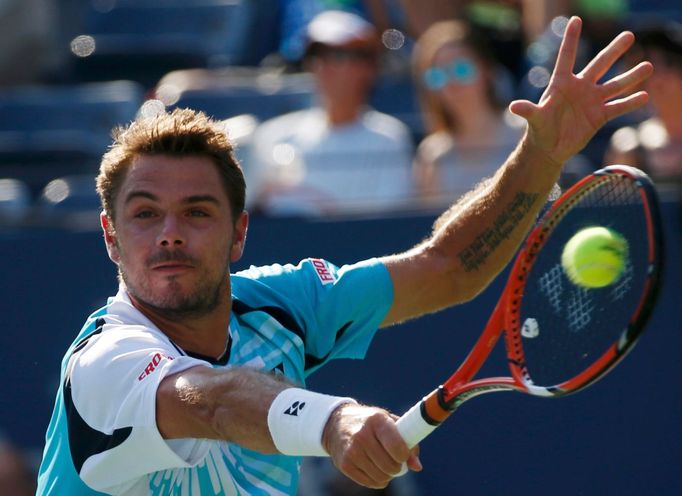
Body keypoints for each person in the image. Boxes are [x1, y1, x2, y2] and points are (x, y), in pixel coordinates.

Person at [36, 16, 652, 495]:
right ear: (111, 238)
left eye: (197, 211)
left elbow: (448, 267)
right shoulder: (104, 363)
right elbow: (214, 401)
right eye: (145, 214)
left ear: (239, 233)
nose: (170, 233)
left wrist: (540, 156)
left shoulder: (283, 307)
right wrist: (334, 423)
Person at [249, 9, 415, 216]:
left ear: (368, 67)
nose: (324, 67)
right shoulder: (273, 135)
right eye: (317, 56)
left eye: (338, 56)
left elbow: (384, 223)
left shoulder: (390, 138)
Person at [411, 19, 525, 208]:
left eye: (461, 69)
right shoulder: (431, 156)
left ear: (486, 70)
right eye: (437, 76)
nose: (452, 84)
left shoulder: (526, 132)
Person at [605, 21, 682, 184]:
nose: (658, 77)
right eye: (650, 64)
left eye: (669, 62)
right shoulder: (628, 145)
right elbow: (619, 207)